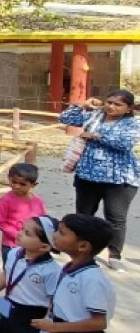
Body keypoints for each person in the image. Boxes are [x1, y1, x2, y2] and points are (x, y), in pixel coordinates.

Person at [57, 89, 140, 271]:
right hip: (87, 175)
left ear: (128, 108)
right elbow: (64, 118)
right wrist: (83, 106)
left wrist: (95, 135)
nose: (111, 106)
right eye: (109, 102)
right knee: (84, 216)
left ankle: (114, 255)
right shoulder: (93, 116)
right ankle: (82, 251)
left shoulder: (132, 124)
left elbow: (124, 143)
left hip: (119, 179)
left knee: (116, 218)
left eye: (118, 104)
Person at [0, 163, 46, 265]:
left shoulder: (38, 201)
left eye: (22, 184)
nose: (17, 186)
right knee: (10, 273)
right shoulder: (5, 200)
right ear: (9, 179)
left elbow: (43, 220)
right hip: (11, 245)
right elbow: (0, 222)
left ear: (33, 185)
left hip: (32, 246)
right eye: (14, 182)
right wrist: (17, 235)